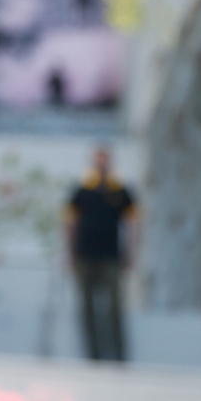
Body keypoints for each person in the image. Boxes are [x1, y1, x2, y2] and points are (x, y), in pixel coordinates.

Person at [66, 146, 138, 362]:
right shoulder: (81, 189)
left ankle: (118, 355)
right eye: (98, 160)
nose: (101, 164)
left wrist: (131, 252)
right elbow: (70, 224)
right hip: (85, 256)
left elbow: (134, 224)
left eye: (104, 160)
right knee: (87, 308)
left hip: (111, 257)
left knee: (114, 308)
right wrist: (71, 253)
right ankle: (93, 356)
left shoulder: (121, 190)